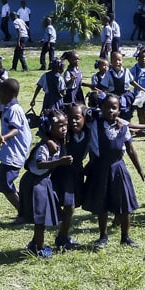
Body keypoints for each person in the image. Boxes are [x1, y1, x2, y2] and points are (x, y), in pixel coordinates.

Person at [84, 93, 145, 247]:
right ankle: (103, 236)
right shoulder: (94, 123)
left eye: (114, 108)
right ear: (101, 108)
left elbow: (131, 150)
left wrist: (140, 170)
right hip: (100, 168)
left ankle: (125, 237)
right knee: (102, 204)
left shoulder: (123, 126)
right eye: (107, 107)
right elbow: (84, 111)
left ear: (119, 110)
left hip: (118, 167)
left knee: (124, 204)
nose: (111, 111)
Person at [21, 111, 74, 259]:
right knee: (40, 217)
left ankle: (35, 243)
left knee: (42, 217)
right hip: (36, 182)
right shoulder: (45, 146)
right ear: (49, 128)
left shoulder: (57, 141)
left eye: (65, 125)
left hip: (44, 181)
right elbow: (40, 163)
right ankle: (39, 248)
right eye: (59, 126)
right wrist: (60, 162)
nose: (64, 129)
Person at [0, 77, 32, 215]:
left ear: (10, 94)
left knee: (5, 184)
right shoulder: (13, 108)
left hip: (14, 154)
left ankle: (23, 213)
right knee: (1, 179)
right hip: (10, 153)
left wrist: (4, 137)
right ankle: (26, 208)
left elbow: (15, 129)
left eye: (1, 94)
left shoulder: (14, 109)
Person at [52, 103, 90, 249]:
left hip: (77, 173)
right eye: (70, 119)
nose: (74, 122)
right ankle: (61, 237)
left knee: (70, 207)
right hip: (62, 173)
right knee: (68, 206)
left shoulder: (88, 132)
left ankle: (63, 236)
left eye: (77, 118)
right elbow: (44, 130)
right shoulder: (63, 135)